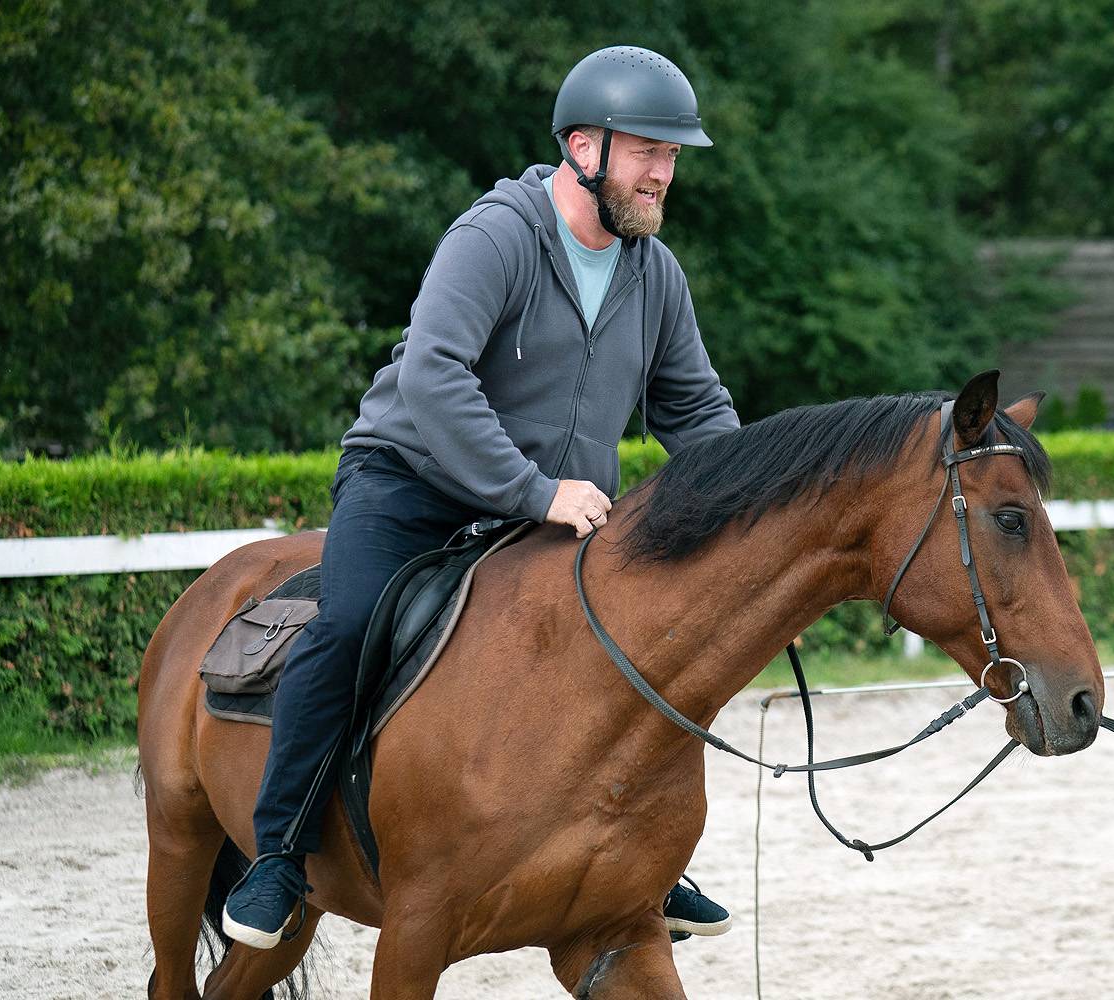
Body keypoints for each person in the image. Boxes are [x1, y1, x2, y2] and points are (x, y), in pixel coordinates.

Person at [222, 45, 740, 949]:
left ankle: (639, 859)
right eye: (648, 151)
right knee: (349, 623)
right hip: (412, 483)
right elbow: (434, 375)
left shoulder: (655, 274)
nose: (665, 172)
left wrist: (751, 509)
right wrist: (531, 490)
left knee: (633, 639)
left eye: (673, 155)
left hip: (546, 507)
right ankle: (279, 854)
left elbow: (694, 407)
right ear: (584, 147)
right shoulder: (495, 235)